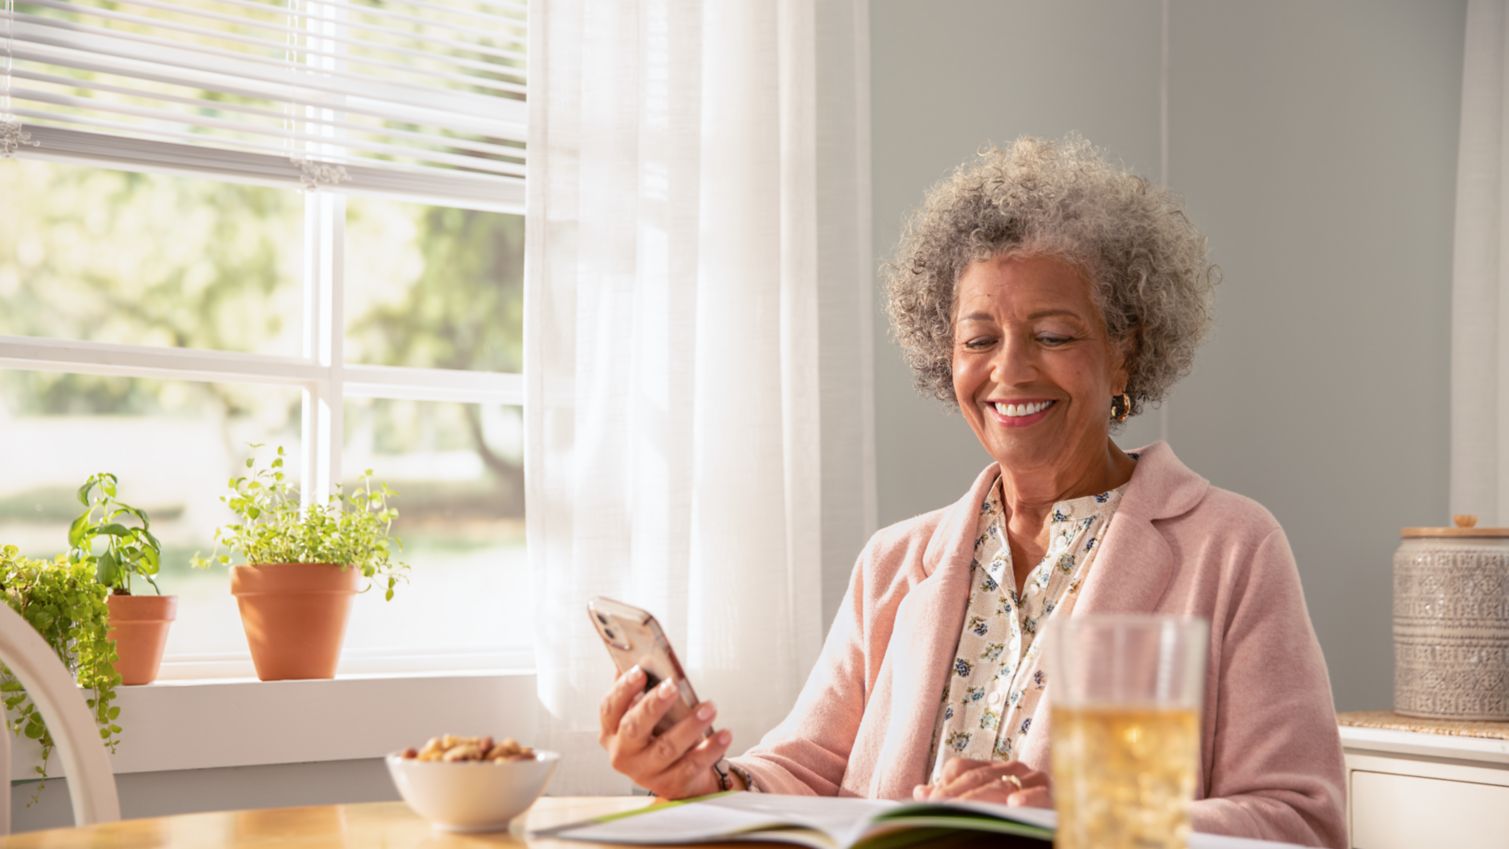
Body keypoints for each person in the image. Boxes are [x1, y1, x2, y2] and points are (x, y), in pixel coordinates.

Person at [595, 136, 1346, 849]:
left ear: (1124, 353)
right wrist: (702, 777)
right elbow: (803, 771)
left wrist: (1074, 820)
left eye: (1053, 335)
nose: (1009, 372)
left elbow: (1296, 822)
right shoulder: (893, 562)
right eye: (978, 339)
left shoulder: (1228, 548)